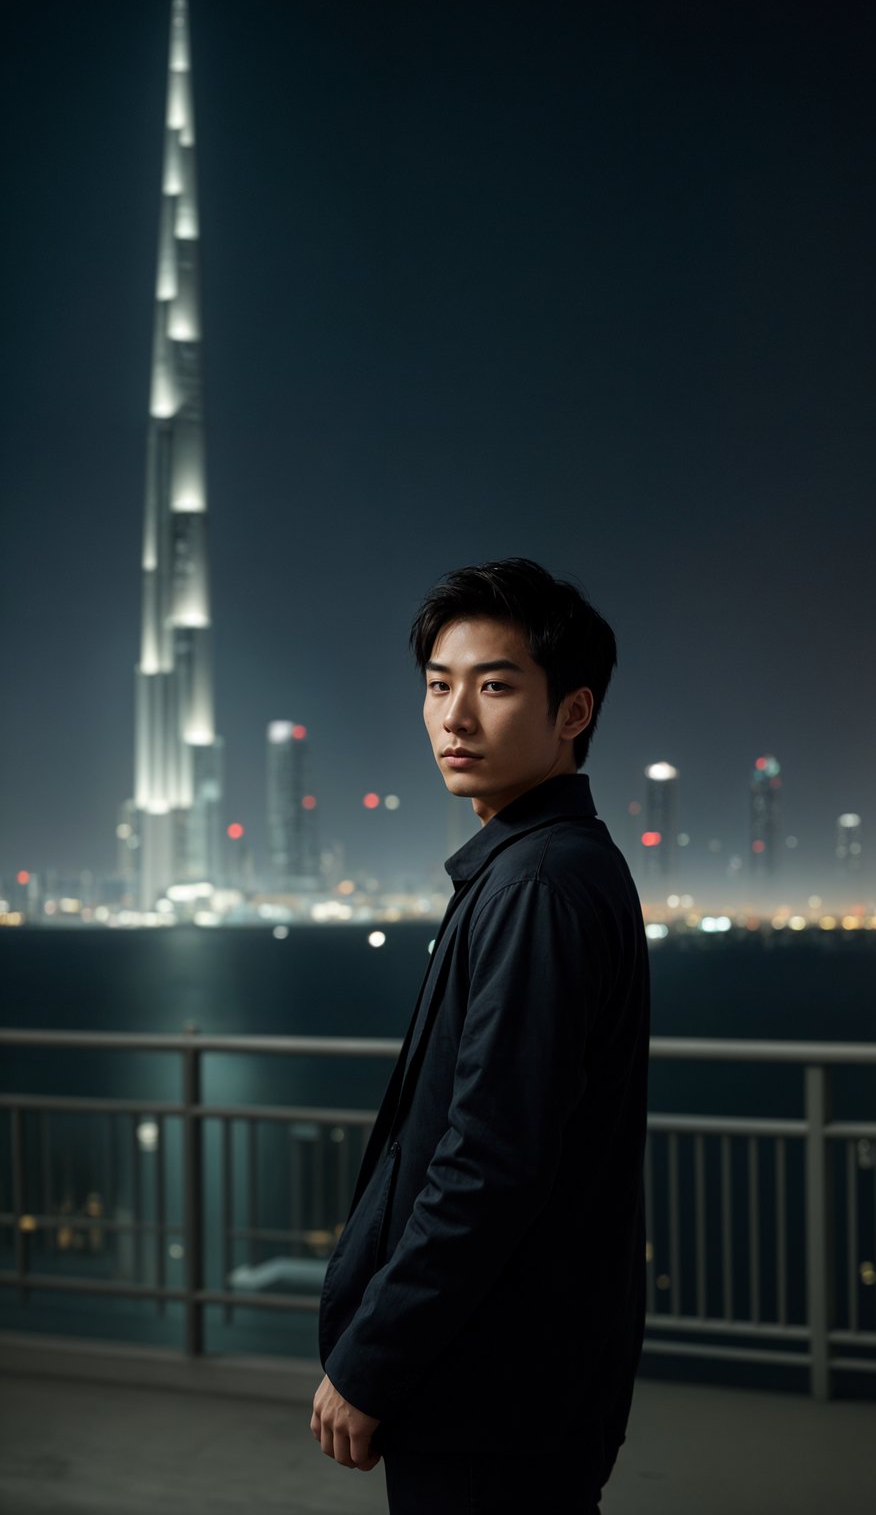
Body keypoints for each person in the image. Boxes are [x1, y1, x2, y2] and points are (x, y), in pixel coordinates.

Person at [311, 557, 650, 1513]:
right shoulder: (536, 867)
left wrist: (373, 1359)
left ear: (572, 713)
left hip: (494, 1387)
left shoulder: (537, 885)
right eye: (437, 686)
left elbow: (489, 1160)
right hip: (519, 1378)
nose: (455, 718)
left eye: (496, 686)